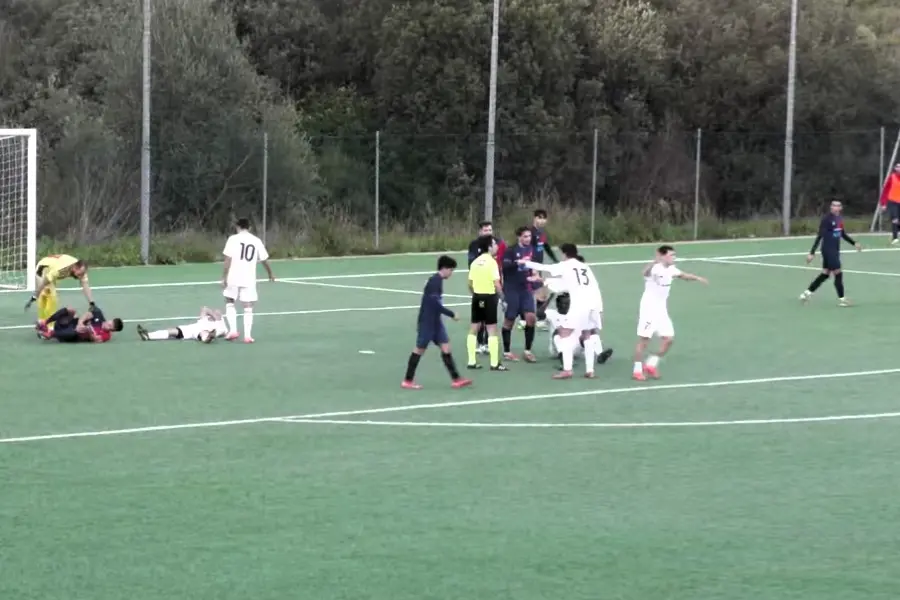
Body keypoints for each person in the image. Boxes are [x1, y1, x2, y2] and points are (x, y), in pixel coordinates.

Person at [518, 243, 603, 378]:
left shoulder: (566, 265)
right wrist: (543, 280)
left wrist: (526, 263)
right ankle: (590, 370)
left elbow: (545, 268)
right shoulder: (584, 267)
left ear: (564, 254)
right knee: (587, 334)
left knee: (563, 333)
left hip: (580, 304)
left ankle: (567, 369)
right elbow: (566, 284)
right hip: (595, 303)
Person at [633, 245, 707, 381]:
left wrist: (697, 278)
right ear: (663, 256)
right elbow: (644, 273)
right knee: (644, 341)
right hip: (648, 309)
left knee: (669, 339)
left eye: (674, 255)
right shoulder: (655, 269)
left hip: (661, 310)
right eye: (671, 255)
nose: (674, 257)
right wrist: (654, 261)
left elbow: (684, 276)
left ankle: (650, 365)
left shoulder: (671, 269)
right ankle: (637, 371)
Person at [402, 256, 473, 389]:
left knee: (446, 347)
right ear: (445, 269)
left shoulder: (437, 281)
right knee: (419, 349)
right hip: (427, 321)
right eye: (451, 270)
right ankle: (407, 380)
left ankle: (456, 379)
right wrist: (451, 314)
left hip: (436, 322)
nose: (451, 273)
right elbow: (434, 304)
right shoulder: (435, 282)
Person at [222, 218, 275, 343]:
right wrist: (270, 273)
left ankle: (233, 330)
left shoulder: (232, 239)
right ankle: (247, 336)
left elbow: (227, 259)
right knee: (248, 306)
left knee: (229, 301)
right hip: (249, 277)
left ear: (237, 227)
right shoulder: (256, 240)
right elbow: (264, 259)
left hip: (234, 276)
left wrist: (224, 277)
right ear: (249, 227)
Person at [800, 200, 861, 307]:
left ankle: (806, 293)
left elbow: (842, 233)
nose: (836, 207)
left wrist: (854, 243)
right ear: (831, 208)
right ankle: (842, 299)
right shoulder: (826, 219)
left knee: (825, 274)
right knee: (838, 272)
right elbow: (819, 236)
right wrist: (812, 253)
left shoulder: (839, 219)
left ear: (841, 208)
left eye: (838, 206)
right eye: (834, 205)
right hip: (828, 250)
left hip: (835, 250)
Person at [501, 226, 541, 362]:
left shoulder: (532, 250)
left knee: (531, 318)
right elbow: (505, 268)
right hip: (512, 289)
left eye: (529, 236)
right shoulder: (510, 251)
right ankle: (507, 351)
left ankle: (528, 351)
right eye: (525, 236)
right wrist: (517, 263)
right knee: (509, 320)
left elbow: (534, 268)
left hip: (526, 289)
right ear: (519, 237)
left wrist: (535, 276)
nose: (528, 239)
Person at [466, 235, 506, 371]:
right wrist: (503, 298)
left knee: (474, 328)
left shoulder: (475, 262)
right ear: (489, 247)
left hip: (477, 297)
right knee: (492, 329)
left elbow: (470, 284)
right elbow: (496, 283)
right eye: (494, 244)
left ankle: (471, 361)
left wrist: (476, 294)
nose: (496, 246)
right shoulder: (492, 262)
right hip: (489, 298)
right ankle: (494, 363)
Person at [25, 254, 94, 323]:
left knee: (48, 294)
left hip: (52, 269)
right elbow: (43, 283)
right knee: (51, 295)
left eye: (82, 274)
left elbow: (85, 285)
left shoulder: (81, 269)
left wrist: (91, 303)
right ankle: (48, 325)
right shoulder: (60, 269)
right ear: (74, 268)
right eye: (79, 274)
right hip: (43, 268)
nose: (80, 277)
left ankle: (41, 321)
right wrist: (34, 296)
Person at [519, 209, 558, 330]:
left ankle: (539, 320)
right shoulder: (530, 233)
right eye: (539, 218)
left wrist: (556, 261)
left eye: (543, 218)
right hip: (530, 267)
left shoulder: (542, 233)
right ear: (534, 218)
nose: (541, 220)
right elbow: (525, 248)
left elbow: (546, 247)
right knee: (528, 293)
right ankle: (523, 320)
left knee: (541, 292)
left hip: (538, 267)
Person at [36, 305, 123, 343]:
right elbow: (87, 314)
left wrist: (89, 331)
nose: (108, 325)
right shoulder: (99, 316)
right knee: (71, 310)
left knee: (78, 332)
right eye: (110, 323)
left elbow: (96, 339)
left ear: (112, 330)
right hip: (68, 323)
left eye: (110, 327)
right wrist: (80, 323)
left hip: (70, 336)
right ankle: (45, 322)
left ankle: (50, 334)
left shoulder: (106, 336)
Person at [137, 307, 228, 342]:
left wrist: (216, 320)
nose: (215, 312)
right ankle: (148, 336)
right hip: (190, 329)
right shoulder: (205, 319)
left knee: (204, 333)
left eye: (217, 313)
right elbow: (204, 309)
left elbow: (223, 333)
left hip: (197, 332)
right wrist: (212, 315)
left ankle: (208, 338)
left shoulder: (220, 326)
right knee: (172, 331)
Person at [879, 163, 900, 244]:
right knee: (895, 219)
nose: (899, 168)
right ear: (895, 168)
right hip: (893, 201)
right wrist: (883, 203)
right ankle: (895, 238)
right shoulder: (892, 177)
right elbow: (885, 190)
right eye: (898, 167)